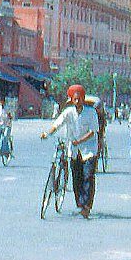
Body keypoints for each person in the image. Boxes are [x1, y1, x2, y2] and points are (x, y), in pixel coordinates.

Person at [41, 84, 100, 219]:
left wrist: (79, 141)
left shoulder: (91, 112)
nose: (77, 101)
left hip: (89, 149)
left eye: (79, 99)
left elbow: (93, 131)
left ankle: (86, 206)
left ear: (83, 99)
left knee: (88, 176)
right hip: (73, 150)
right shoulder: (68, 112)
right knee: (76, 177)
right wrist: (47, 134)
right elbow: (57, 124)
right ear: (72, 100)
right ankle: (80, 202)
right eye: (75, 99)